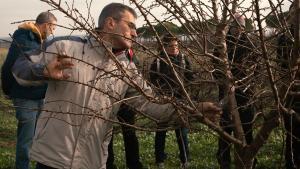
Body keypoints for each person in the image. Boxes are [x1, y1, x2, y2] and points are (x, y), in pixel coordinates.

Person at [12, 3, 221, 169]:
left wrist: (195, 109)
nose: (135, 33)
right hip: (52, 160)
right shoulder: (65, 47)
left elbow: (154, 107)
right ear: (110, 23)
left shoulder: (127, 70)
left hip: (93, 162)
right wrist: (41, 71)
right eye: (130, 26)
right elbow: (19, 69)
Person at [0, 11, 57, 169]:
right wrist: (8, 90)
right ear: (46, 25)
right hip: (26, 97)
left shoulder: (37, 39)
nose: (53, 32)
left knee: (40, 137)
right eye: (53, 28)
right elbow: (8, 68)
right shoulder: (25, 40)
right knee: (26, 140)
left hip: (38, 95)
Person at [213, 13, 256, 169]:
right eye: (236, 26)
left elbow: (256, 69)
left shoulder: (250, 44)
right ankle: (224, 161)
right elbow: (215, 68)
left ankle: (248, 161)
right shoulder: (221, 44)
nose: (238, 30)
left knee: (247, 128)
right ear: (230, 27)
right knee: (226, 129)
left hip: (246, 94)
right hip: (226, 94)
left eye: (242, 27)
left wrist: (245, 83)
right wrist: (225, 83)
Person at [149, 33, 193, 169]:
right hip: (163, 100)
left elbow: (190, 77)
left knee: (182, 131)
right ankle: (160, 160)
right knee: (161, 130)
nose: (174, 48)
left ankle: (185, 160)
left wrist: (187, 94)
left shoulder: (184, 59)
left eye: (176, 45)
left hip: (181, 100)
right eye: (171, 46)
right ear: (164, 47)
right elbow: (153, 79)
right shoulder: (157, 61)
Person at [106, 48, 144, 169]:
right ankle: (108, 164)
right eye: (132, 35)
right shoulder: (109, 50)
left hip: (127, 103)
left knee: (130, 133)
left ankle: (133, 164)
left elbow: (137, 73)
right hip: (111, 100)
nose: (134, 38)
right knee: (107, 134)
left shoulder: (131, 54)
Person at [277, 3, 300, 168]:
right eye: (294, 14)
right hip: (290, 90)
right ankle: (290, 163)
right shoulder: (284, 38)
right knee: (291, 130)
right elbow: (280, 65)